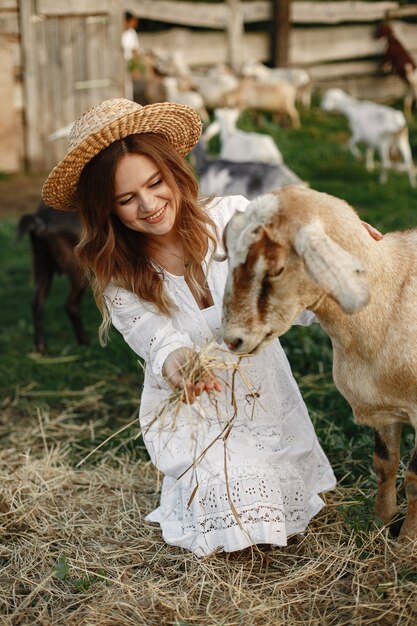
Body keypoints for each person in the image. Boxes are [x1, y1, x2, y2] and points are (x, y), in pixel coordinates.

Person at [42, 98, 379, 557]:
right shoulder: (119, 275)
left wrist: (337, 246)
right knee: (236, 516)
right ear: (107, 210)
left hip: (264, 397)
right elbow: (154, 336)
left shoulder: (232, 218)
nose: (148, 205)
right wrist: (178, 362)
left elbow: (289, 286)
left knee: (274, 514)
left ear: (173, 172)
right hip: (197, 414)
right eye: (126, 199)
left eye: (155, 183)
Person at [121, 11, 142, 100]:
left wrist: (135, 68)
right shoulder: (117, 31)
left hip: (127, 66)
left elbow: (135, 51)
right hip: (117, 65)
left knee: (127, 91)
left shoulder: (131, 33)